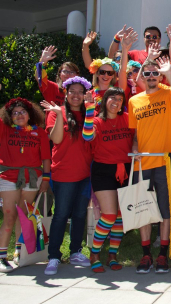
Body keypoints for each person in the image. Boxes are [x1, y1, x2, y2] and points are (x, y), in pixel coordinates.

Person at [128, 59, 171, 274]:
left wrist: (169, 74)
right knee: (143, 209)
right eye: (148, 74)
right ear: (142, 77)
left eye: (155, 73)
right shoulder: (134, 101)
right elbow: (135, 134)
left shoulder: (167, 92)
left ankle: (162, 253)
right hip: (141, 164)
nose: (152, 77)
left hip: (164, 162)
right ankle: (145, 255)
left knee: (165, 209)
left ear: (159, 76)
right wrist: (134, 147)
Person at [40, 76, 95, 275]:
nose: (76, 95)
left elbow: (92, 137)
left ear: (86, 94)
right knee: (61, 215)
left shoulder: (90, 112)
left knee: (80, 214)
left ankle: (75, 251)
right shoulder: (56, 113)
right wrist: (58, 114)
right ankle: (53, 255)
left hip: (85, 174)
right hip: (63, 174)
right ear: (65, 93)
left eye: (81, 92)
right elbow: (56, 139)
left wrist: (90, 109)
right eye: (72, 91)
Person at [82, 87, 134, 273]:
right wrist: (89, 109)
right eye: (112, 97)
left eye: (120, 99)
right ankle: (95, 254)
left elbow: (136, 137)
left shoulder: (128, 118)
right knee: (109, 215)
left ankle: (112, 254)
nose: (116, 101)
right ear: (104, 101)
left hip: (126, 169)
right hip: (103, 169)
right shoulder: (96, 120)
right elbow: (87, 136)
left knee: (120, 216)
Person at [0, 98, 50, 273]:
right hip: (9, 176)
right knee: (9, 215)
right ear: (9, 116)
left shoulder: (40, 133)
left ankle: (19, 251)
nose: (19, 115)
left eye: (23, 112)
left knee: (24, 214)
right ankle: (1, 256)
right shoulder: (4, 129)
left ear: (30, 114)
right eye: (15, 113)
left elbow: (45, 158)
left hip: (32, 177)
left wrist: (45, 179)